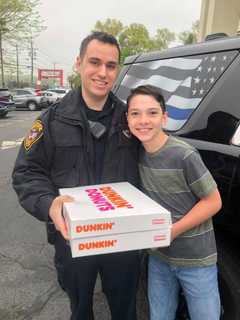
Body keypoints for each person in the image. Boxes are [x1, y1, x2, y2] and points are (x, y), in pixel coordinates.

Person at [12, 32, 141, 320]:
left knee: (125, 309)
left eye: (111, 65)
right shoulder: (52, 120)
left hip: (122, 238)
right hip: (73, 238)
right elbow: (26, 172)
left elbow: (155, 163)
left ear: (117, 70)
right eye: (94, 62)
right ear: (79, 63)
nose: (102, 72)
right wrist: (48, 204)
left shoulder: (131, 119)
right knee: (80, 309)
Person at [126, 84, 222, 320]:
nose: (143, 121)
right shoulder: (134, 153)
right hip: (159, 258)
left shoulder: (184, 154)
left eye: (152, 112)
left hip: (196, 259)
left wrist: (173, 231)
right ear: (127, 119)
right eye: (135, 113)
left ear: (164, 117)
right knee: (159, 315)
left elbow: (213, 201)